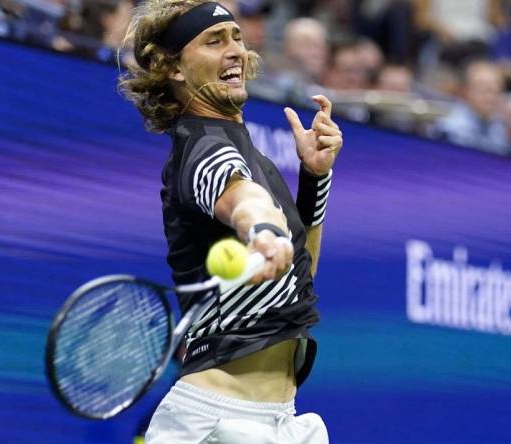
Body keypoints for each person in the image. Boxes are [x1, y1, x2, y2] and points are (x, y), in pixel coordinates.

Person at [120, 1, 341, 442]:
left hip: (281, 419)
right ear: (175, 68)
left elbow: (299, 282)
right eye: (215, 41)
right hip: (215, 423)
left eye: (238, 37)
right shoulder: (200, 151)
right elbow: (244, 200)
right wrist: (262, 229)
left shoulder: (252, 156)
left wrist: (315, 179)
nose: (236, 49)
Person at [432, 59, 510, 155]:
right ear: (465, 92)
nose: (491, 97)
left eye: (496, 91)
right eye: (484, 90)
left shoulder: (499, 125)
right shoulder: (450, 130)